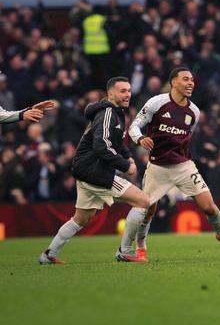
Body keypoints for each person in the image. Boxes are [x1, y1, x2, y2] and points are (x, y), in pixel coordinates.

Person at [122, 67, 220, 260]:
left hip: (183, 166)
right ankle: (141, 247)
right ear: (173, 82)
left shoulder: (194, 111)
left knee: (209, 206)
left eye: (192, 80)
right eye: (186, 79)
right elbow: (134, 126)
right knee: (148, 210)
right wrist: (140, 139)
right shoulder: (157, 103)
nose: (190, 83)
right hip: (158, 167)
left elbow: (188, 137)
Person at [38, 77, 150, 264]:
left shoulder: (115, 112)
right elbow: (102, 146)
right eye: (122, 91)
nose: (128, 94)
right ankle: (125, 251)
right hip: (95, 172)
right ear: (110, 94)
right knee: (143, 201)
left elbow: (116, 140)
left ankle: (48, 255)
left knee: (80, 219)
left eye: (129, 90)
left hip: (86, 171)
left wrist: (128, 155)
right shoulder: (107, 113)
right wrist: (125, 165)